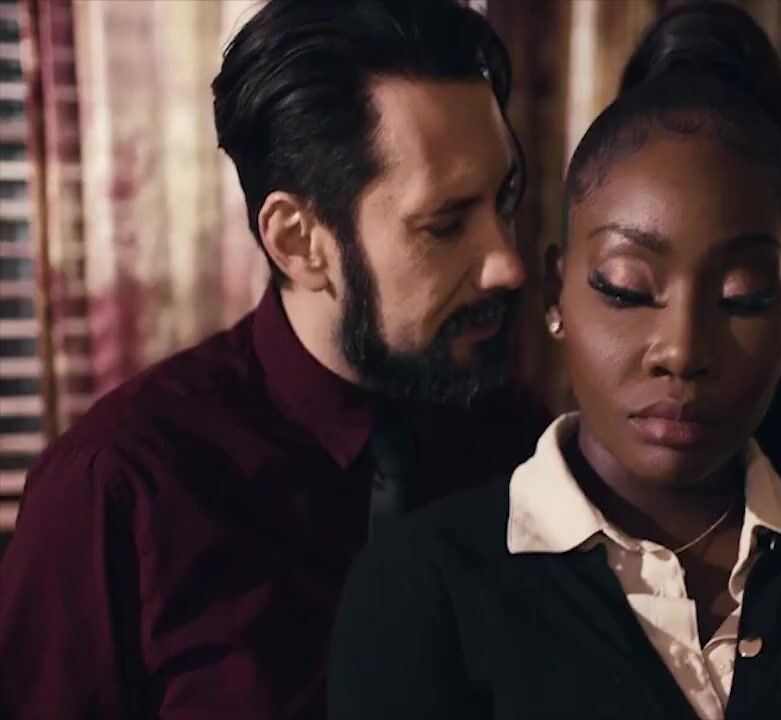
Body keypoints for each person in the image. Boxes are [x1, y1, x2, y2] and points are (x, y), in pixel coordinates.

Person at [326, 3, 781, 719]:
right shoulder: (425, 590)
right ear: (557, 291)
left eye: (742, 297)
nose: (682, 351)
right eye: (627, 290)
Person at [0, 1, 547, 717]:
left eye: (505, 200)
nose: (507, 263)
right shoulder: (119, 488)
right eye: (445, 226)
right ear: (297, 240)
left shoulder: (518, 442)